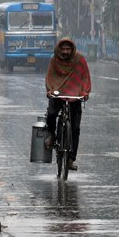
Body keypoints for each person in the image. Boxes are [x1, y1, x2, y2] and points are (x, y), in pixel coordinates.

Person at [44, 38, 91, 171]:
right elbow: (50, 77)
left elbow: (85, 76)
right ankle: (52, 135)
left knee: (75, 128)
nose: (65, 52)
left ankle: (70, 159)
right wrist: (50, 90)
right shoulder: (54, 61)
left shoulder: (79, 60)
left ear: (72, 50)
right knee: (52, 113)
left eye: (68, 49)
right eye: (63, 49)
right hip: (58, 94)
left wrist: (85, 91)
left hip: (74, 96)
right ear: (59, 50)